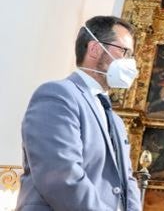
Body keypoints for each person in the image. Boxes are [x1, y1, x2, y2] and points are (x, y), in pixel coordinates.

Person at [17, 16, 142, 210]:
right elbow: (61, 175)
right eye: (124, 52)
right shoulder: (57, 95)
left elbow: (127, 180)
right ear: (94, 49)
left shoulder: (115, 120)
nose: (130, 63)